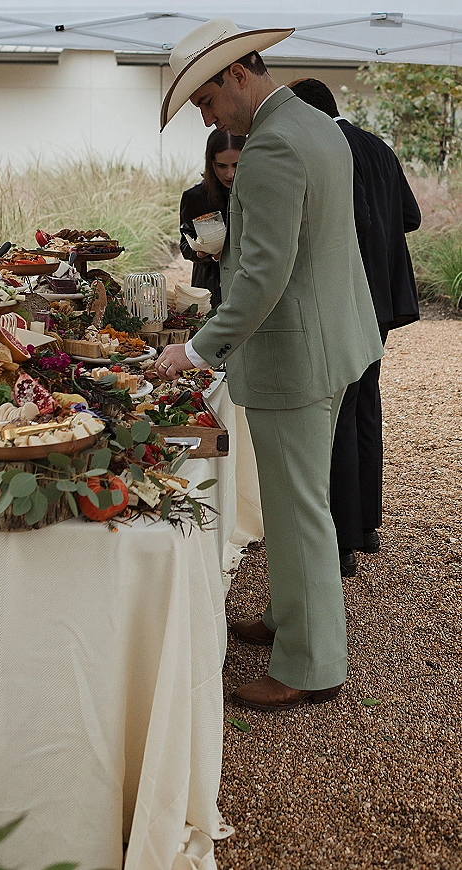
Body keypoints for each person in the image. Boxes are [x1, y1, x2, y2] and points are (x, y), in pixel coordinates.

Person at [156, 18, 383, 712]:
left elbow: (262, 277)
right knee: (293, 502)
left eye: (205, 99)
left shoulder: (271, 147)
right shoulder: (315, 124)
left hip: (296, 354)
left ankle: (312, 664)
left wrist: (194, 351)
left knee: (301, 508)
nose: (206, 114)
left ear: (237, 73)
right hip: (336, 339)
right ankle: (290, 617)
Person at [289, 78, 421, 576]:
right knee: (365, 406)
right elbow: (410, 215)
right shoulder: (378, 146)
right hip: (384, 300)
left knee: (338, 414)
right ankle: (365, 524)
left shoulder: (327, 150)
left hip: (346, 298)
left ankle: (340, 541)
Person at [180, 129, 246, 309]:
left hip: (246, 285)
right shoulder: (194, 197)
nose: (230, 174)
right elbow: (185, 244)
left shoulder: (257, 193)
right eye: (222, 166)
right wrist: (201, 253)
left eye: (236, 165)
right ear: (211, 164)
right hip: (208, 288)